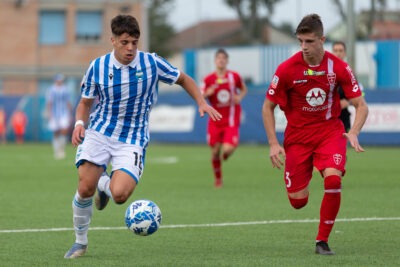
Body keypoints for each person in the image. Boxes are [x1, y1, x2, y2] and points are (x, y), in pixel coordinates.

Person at [64, 15, 221, 259]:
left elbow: (183, 79)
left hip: (133, 138)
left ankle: (104, 187)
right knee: (85, 188)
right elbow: (85, 103)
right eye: (125, 42)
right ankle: (80, 242)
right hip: (100, 132)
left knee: (120, 195)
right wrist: (79, 124)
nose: (130, 48)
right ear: (113, 40)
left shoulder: (151, 63)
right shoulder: (97, 66)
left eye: (135, 42)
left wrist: (201, 102)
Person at [262, 14, 368, 255]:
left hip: (329, 133)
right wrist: (272, 143)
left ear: (322, 39)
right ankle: (307, 172)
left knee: (333, 180)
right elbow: (267, 106)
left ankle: (322, 241)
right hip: (297, 138)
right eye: (300, 41)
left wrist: (354, 131)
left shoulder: (339, 67)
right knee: (298, 202)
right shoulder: (287, 69)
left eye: (309, 41)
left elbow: (361, 105)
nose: (304, 47)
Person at [201, 48, 247, 187]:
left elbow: (244, 89)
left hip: (231, 120)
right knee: (215, 151)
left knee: (227, 149)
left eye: (223, 58)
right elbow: (200, 95)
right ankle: (218, 179)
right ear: (215, 61)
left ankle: (225, 155)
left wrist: (239, 97)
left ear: (227, 61)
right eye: (218, 58)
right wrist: (207, 93)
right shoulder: (208, 79)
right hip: (215, 121)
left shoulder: (234, 76)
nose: (221, 60)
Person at [332, 41, 365, 132]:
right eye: (335, 50)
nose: (338, 53)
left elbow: (361, 92)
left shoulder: (349, 73)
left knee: (340, 145)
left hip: (343, 116)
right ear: (332, 52)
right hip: (328, 117)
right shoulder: (325, 71)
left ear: (345, 53)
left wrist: (348, 101)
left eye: (340, 50)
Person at [46, 74, 73, 159]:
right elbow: (49, 102)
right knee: (56, 132)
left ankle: (61, 149)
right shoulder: (51, 90)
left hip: (64, 113)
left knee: (64, 130)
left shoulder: (65, 89)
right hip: (54, 113)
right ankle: (56, 150)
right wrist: (49, 112)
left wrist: (70, 113)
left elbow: (68, 102)